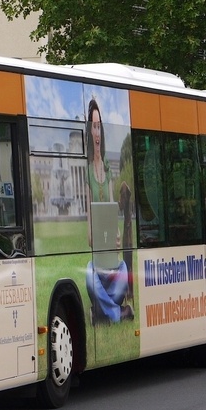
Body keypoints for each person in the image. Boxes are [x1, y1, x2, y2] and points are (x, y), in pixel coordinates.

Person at [84, 97, 133, 323]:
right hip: (98, 264)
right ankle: (116, 313)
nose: (97, 132)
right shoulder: (87, 174)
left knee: (124, 268)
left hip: (113, 267)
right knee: (88, 273)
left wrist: (115, 237)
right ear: (89, 132)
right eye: (94, 126)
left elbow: (113, 213)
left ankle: (102, 312)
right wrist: (97, 239)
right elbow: (89, 235)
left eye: (99, 127)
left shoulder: (108, 171)